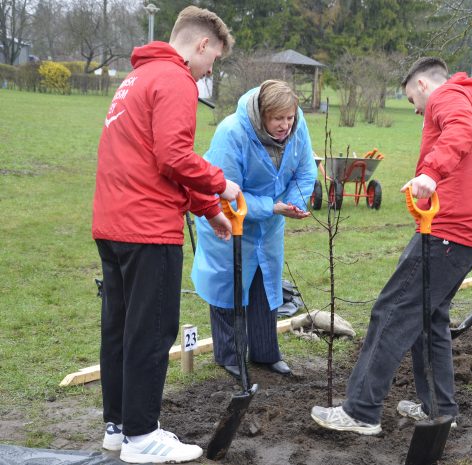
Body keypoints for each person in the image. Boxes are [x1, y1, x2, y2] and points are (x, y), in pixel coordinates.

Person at [311, 57, 472, 434]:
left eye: (413, 102)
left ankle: (360, 411)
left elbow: (458, 130)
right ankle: (439, 409)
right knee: (429, 320)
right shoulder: (470, 99)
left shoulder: (447, 96)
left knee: (393, 311)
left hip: (451, 228)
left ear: (421, 85)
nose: (417, 112)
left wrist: (430, 173)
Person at [92, 6, 239, 463]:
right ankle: (141, 437)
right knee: (152, 332)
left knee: (119, 329)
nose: (211, 69)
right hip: (148, 228)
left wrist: (207, 209)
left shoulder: (136, 79)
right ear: (200, 44)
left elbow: (154, 162)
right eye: (213, 58)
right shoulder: (176, 80)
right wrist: (221, 184)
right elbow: (174, 157)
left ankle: (117, 427)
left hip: (113, 224)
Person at [191, 80, 317, 379]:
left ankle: (265, 353)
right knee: (229, 285)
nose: (286, 125)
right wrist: (272, 207)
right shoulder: (231, 133)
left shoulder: (298, 126)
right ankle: (229, 355)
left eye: (289, 118)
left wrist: (294, 204)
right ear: (262, 115)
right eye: (278, 119)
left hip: (271, 223)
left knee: (266, 284)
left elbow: (306, 169)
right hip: (228, 220)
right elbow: (227, 192)